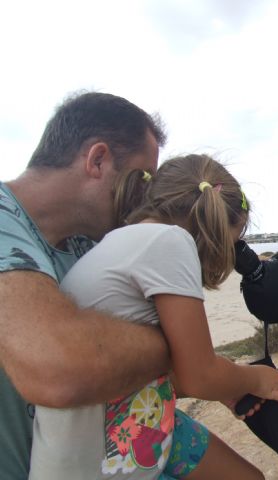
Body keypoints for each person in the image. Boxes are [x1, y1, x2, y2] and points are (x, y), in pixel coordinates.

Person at [28, 154, 278, 480]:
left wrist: (227, 386)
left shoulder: (123, 239)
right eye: (231, 245)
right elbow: (199, 375)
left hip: (118, 420)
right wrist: (255, 379)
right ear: (210, 230)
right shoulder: (171, 241)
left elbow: (152, 370)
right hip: (98, 454)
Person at [0, 92, 174, 479]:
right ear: (97, 160)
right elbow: (60, 369)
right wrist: (177, 348)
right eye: (143, 178)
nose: (144, 196)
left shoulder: (85, 245)